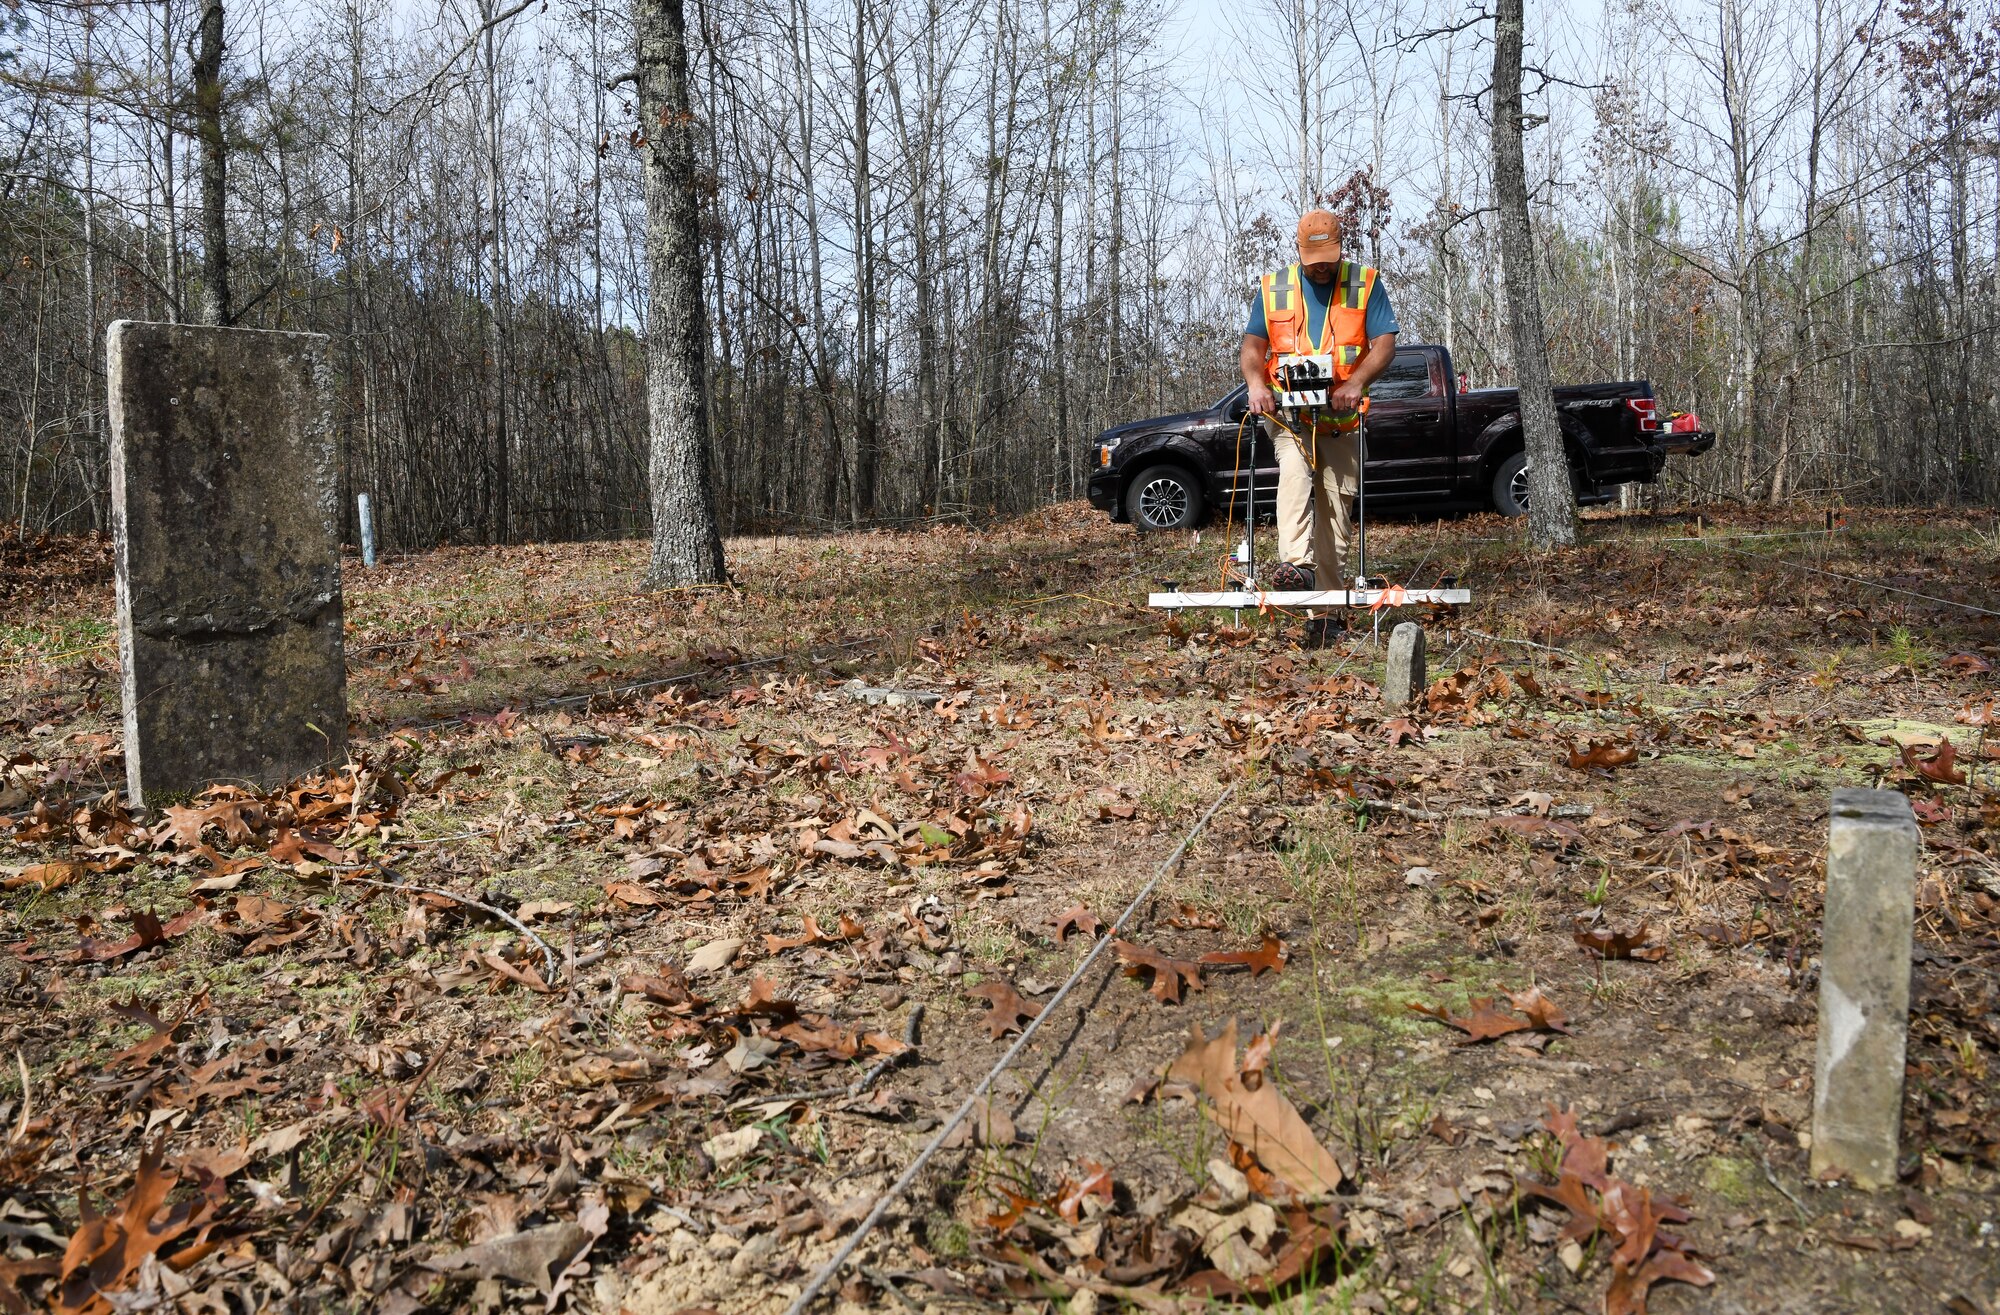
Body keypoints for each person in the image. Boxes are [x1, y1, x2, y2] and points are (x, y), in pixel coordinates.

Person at [1240, 209, 1399, 645]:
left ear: (1340, 247)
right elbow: (1253, 346)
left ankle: (1326, 615)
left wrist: (1356, 382)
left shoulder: (1364, 283)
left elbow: (1385, 343)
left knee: (1336, 516)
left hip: (1342, 421)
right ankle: (1295, 565)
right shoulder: (1274, 289)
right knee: (1295, 470)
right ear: (1299, 250)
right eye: (1313, 258)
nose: (1322, 265)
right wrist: (1257, 385)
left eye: (1328, 255)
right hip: (1290, 418)